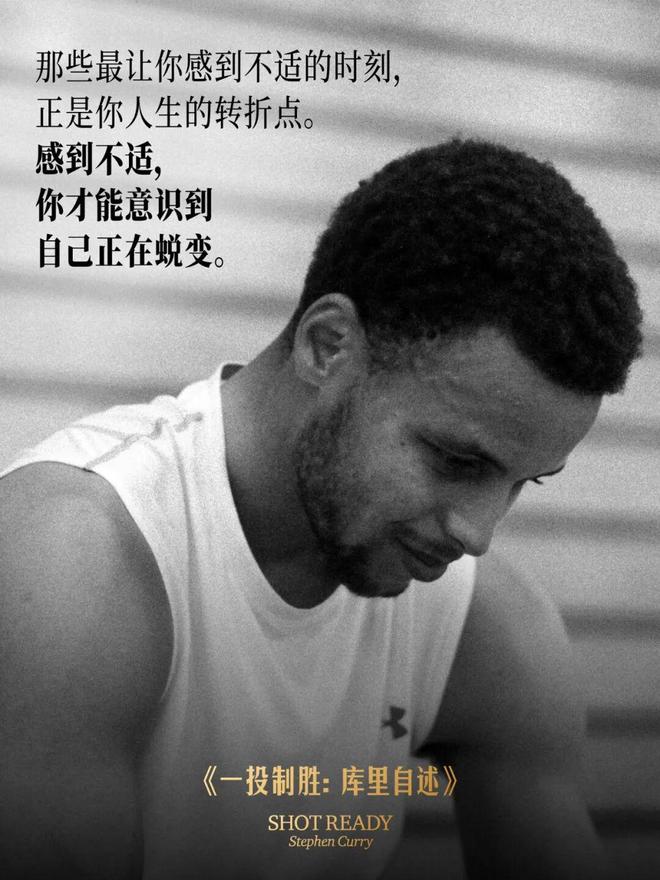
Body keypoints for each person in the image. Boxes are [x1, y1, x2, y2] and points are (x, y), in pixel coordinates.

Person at [0, 139, 642, 880]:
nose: (477, 533)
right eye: (457, 461)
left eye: (525, 482)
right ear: (328, 345)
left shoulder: (487, 628)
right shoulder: (70, 563)